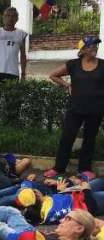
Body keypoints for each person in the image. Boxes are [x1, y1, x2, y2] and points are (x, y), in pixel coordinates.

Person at [45, 36, 104, 180]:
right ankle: (58, 168)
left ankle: (84, 169)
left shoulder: (103, 65)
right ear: (83, 49)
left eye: (96, 45)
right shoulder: (73, 64)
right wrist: (67, 85)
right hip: (75, 108)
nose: (94, 48)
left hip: (96, 109)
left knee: (89, 139)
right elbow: (53, 75)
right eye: (91, 46)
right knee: (67, 138)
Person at [0, 7, 27, 91]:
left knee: (11, 101)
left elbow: (23, 55)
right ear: (4, 18)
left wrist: (23, 74)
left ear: (17, 19)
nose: (10, 18)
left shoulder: (21, 34)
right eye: (8, 16)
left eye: (13, 16)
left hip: (13, 73)